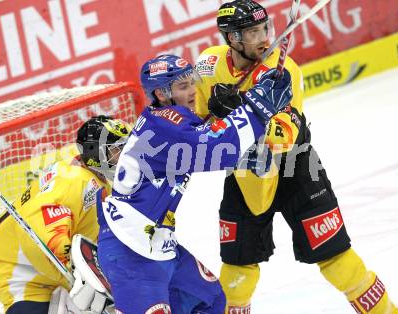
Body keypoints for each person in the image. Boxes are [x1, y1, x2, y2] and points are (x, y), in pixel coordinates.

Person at [195, 1, 398, 313]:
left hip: (296, 170)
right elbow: (198, 124)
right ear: (232, 38)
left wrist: (242, 111)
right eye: (252, 33)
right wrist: (215, 109)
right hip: (244, 173)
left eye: (265, 29)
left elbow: (283, 138)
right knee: (237, 274)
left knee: (339, 262)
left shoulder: (283, 70)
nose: (264, 38)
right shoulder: (208, 65)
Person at [96, 53, 293, 313]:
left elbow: (202, 137)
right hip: (130, 251)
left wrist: (230, 111)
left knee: (211, 300)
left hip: (158, 243)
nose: (192, 91)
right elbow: (218, 148)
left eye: (191, 82)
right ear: (161, 94)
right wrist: (258, 105)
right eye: (182, 86)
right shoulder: (165, 127)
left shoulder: (163, 119)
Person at [0, 115, 132, 314]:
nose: (124, 156)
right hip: (23, 274)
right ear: (95, 153)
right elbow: (44, 225)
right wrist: (78, 271)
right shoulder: (75, 182)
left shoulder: (92, 180)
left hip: (51, 270)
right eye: (117, 150)